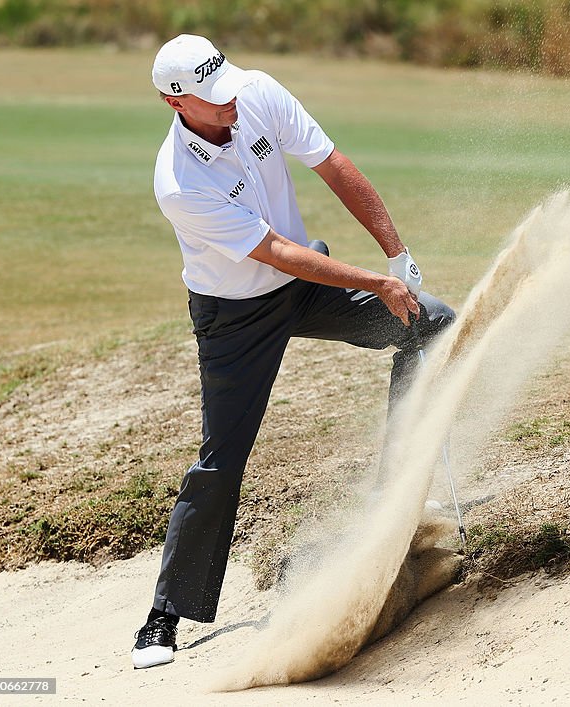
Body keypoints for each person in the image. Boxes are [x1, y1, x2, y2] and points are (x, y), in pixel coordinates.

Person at [132, 34, 455, 669]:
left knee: (430, 322)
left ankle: (397, 493)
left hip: (306, 286)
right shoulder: (177, 182)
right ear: (176, 101)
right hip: (235, 317)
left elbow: (333, 165)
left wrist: (398, 253)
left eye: (227, 86)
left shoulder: (255, 93)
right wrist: (375, 282)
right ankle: (165, 614)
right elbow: (273, 250)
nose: (230, 103)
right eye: (212, 97)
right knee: (222, 458)